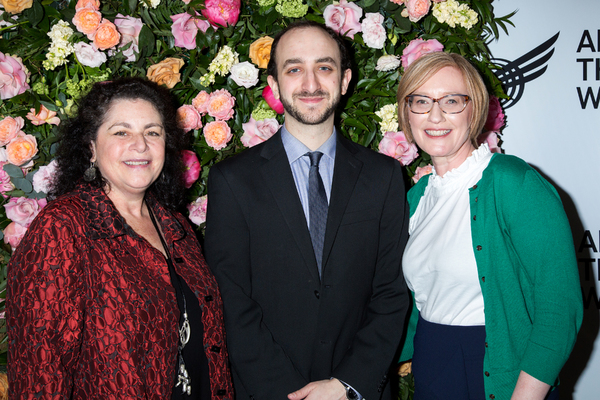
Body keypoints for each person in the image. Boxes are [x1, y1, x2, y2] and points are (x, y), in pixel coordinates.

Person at [204, 21, 410, 400]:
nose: (311, 83)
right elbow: (229, 300)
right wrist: (288, 393)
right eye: (294, 68)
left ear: (345, 80)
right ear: (276, 84)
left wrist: (348, 384)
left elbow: (392, 293)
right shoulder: (232, 181)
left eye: (325, 67)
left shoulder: (383, 177)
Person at [6, 78, 233, 399]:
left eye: (152, 132)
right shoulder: (64, 228)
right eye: (121, 131)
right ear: (91, 147)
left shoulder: (175, 225)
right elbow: (40, 372)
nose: (140, 145)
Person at [396, 52, 583, 400]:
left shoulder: (513, 182)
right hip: (433, 365)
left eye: (452, 100)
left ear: (475, 108)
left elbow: (560, 307)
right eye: (421, 101)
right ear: (407, 112)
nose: (435, 115)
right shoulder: (416, 197)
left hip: (500, 372)